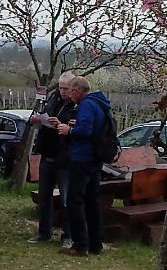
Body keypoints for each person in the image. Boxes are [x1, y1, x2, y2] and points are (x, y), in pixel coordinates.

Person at [56, 75, 111, 256]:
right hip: (96, 158)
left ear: (77, 91)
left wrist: (69, 130)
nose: (70, 96)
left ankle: (80, 244)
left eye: (71, 91)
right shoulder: (100, 103)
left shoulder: (86, 104)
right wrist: (78, 124)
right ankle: (96, 243)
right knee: (92, 201)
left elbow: (86, 131)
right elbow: (92, 126)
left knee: (75, 200)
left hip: (83, 158)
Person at [27, 71, 76, 246]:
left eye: (66, 89)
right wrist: (38, 119)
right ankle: (44, 232)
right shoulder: (53, 99)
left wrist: (61, 125)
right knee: (44, 196)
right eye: (61, 88)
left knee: (66, 199)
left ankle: (68, 235)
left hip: (65, 156)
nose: (63, 92)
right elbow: (45, 115)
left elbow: (77, 128)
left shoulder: (77, 105)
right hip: (48, 152)